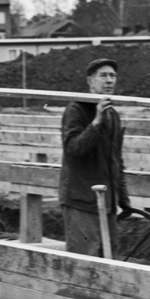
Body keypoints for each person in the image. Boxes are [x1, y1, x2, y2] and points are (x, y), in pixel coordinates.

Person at [59, 57, 133, 257]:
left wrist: (123, 199)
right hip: (81, 201)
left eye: (113, 76)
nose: (109, 80)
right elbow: (73, 149)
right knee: (84, 260)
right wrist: (96, 123)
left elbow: (116, 161)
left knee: (109, 256)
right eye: (103, 76)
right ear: (90, 82)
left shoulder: (113, 115)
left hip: (106, 202)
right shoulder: (76, 110)